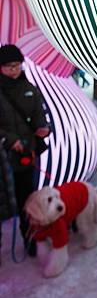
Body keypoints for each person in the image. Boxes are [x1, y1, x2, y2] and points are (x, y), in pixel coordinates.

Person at [0, 44, 50, 255]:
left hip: (26, 156)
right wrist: (10, 140)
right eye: (9, 66)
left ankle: (31, 237)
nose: (14, 70)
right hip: (5, 155)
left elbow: (40, 112)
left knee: (27, 197)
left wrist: (44, 128)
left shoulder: (29, 88)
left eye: (17, 65)